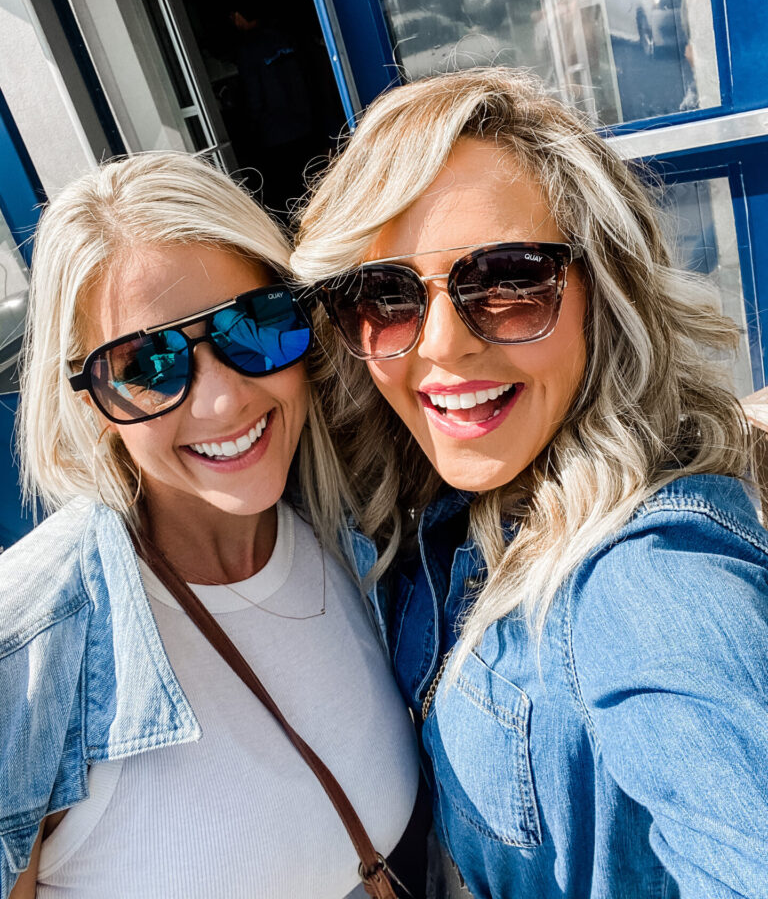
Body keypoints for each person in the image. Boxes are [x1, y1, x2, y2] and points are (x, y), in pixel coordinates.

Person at [291, 68, 768, 898]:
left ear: (602, 292)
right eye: (384, 296)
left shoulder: (647, 576)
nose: (440, 346)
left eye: (508, 281)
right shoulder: (439, 505)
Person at [1, 152, 424, 899]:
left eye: (253, 325)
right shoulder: (30, 648)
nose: (224, 402)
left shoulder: (358, 532)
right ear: (93, 404)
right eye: (148, 365)